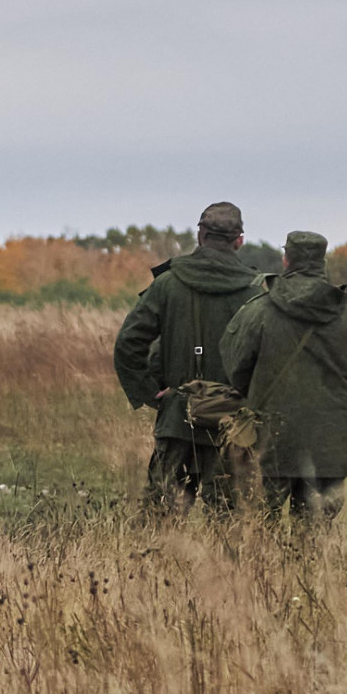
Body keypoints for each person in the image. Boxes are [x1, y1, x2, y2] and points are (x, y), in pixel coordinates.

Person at [110, 200, 269, 510]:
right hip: (233, 422)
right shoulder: (255, 294)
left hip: (177, 416)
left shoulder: (168, 284)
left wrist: (153, 394)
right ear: (239, 241)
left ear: (200, 236)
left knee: (161, 518)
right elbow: (268, 359)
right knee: (228, 521)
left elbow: (129, 343)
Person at [222, 231, 347, 522]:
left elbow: (235, 367)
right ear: (322, 262)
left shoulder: (258, 312)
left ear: (286, 260)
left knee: (266, 525)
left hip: (272, 438)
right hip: (332, 440)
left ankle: (271, 569)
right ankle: (311, 568)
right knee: (317, 528)